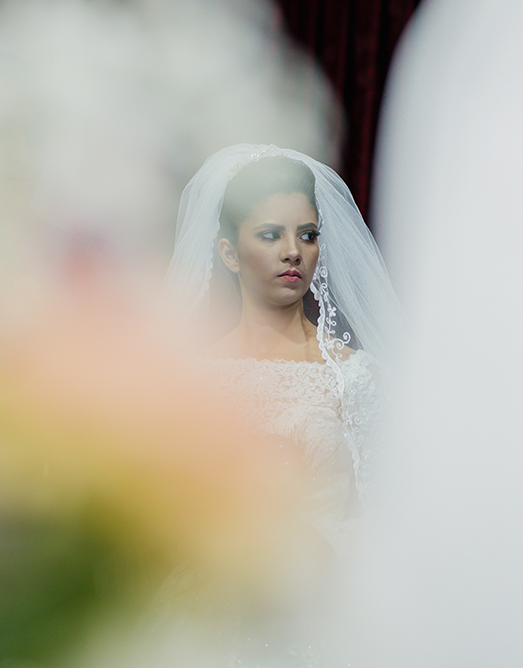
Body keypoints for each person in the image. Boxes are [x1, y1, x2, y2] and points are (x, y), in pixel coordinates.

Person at [162, 143, 405, 666]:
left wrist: (320, 553)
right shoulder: (187, 381)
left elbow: (394, 520)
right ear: (229, 252)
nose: (293, 251)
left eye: (308, 235)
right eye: (271, 235)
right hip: (208, 628)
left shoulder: (355, 377)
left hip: (324, 628)